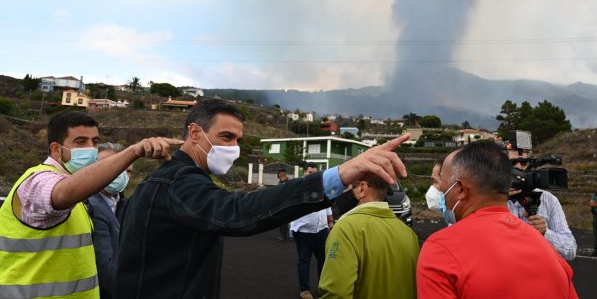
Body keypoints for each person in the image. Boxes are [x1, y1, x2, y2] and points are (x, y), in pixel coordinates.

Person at [114, 99, 409, 299]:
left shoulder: (172, 177)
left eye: (238, 141)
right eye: (226, 137)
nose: (234, 148)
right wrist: (340, 174)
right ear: (194, 133)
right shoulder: (178, 181)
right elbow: (239, 211)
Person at [0, 111, 181, 299]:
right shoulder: (37, 181)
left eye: (94, 142)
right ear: (56, 149)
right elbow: (62, 193)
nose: (90, 149)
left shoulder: (80, 197)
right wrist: (133, 152)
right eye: (80, 142)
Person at [417, 141, 578, 298]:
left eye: (443, 188)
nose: (441, 196)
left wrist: (546, 233)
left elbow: (570, 247)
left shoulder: (440, 251)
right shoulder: (554, 260)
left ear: (460, 189)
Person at [319, 177, 419, 299]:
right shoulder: (409, 233)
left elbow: (335, 293)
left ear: (362, 189)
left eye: (345, 187)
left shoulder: (344, 229)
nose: (340, 193)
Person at [506, 148, 577, 260]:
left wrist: (546, 233)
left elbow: (570, 250)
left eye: (524, 162)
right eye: (513, 163)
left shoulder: (548, 199)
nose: (519, 167)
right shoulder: (491, 198)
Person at [85, 143, 132, 299]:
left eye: (128, 170)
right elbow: (104, 267)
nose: (122, 174)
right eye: (115, 167)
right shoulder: (89, 205)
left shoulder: (125, 206)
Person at [289, 163, 334, 299]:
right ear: (304, 173)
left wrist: (330, 221)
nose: (312, 175)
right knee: (304, 260)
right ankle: (305, 290)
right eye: (309, 172)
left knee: (324, 260)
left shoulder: (322, 188)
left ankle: (323, 287)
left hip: (321, 230)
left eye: (314, 172)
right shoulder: (297, 188)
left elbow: (327, 207)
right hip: (304, 231)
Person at [275, 168, 291, 242]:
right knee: (280, 221)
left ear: (282, 174)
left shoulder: (287, 182)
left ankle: (283, 236)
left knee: (284, 221)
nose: (278, 175)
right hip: (280, 203)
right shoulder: (280, 181)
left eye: (279, 173)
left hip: (285, 204)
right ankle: (281, 234)